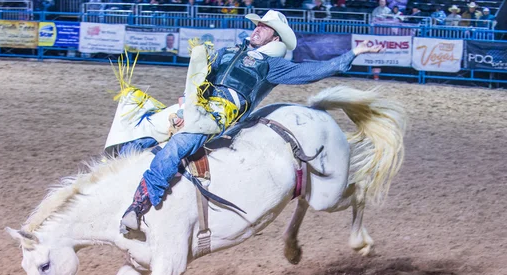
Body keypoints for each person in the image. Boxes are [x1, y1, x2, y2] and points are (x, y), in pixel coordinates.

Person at [119, 10, 384, 232]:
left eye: (265, 27)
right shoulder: (228, 51)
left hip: (218, 118)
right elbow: (204, 78)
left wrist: (355, 52)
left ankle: (139, 205)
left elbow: (314, 70)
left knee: (178, 146)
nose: (257, 28)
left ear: (275, 36)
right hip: (196, 107)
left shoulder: (272, 65)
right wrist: (185, 101)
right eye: (258, 24)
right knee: (138, 127)